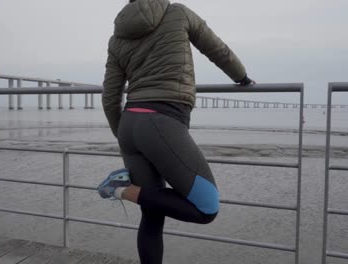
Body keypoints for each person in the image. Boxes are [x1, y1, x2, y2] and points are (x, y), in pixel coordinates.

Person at [99, 0, 254, 263]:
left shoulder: (117, 38)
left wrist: (124, 139)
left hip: (130, 124)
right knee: (206, 208)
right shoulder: (177, 12)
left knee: (152, 213)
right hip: (162, 120)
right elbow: (216, 49)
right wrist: (242, 78)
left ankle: (121, 188)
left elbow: (109, 97)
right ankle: (118, 189)